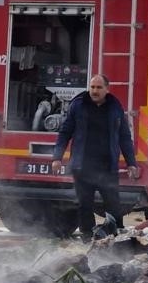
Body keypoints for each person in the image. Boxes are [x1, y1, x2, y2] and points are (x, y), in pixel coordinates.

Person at [51, 74, 140, 237]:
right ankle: (87, 237)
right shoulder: (78, 105)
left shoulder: (115, 107)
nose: (94, 91)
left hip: (107, 167)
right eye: (92, 87)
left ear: (107, 89)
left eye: (99, 88)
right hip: (82, 166)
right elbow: (65, 132)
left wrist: (131, 163)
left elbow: (124, 136)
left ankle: (116, 236)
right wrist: (57, 157)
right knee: (84, 204)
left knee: (113, 204)